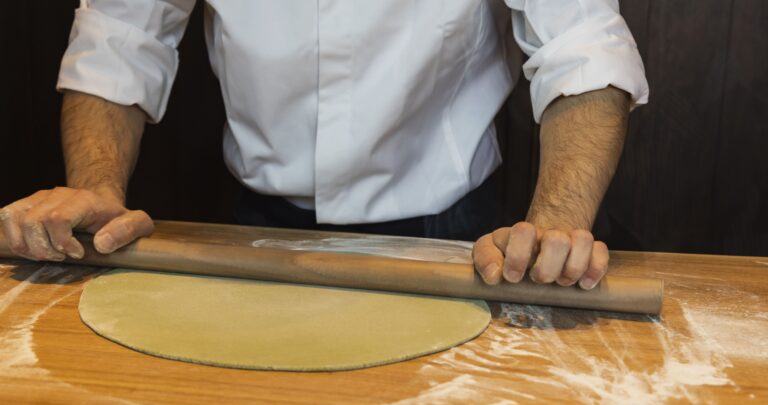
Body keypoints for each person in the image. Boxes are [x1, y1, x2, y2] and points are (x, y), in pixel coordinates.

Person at [0, 0, 648, 290]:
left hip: (452, 239)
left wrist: (558, 222)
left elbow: (581, 46)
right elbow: (121, 31)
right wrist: (97, 185)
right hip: (248, 235)